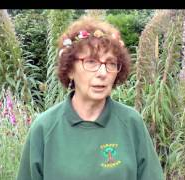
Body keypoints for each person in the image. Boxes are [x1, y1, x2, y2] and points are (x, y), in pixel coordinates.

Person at [16, 15, 164, 180]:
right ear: (70, 69)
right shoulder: (44, 128)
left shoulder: (131, 123)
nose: (103, 73)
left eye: (110, 63)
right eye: (91, 62)